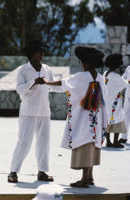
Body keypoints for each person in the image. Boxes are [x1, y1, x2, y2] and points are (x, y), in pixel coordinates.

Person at [41, 46, 107, 188]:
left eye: (81, 62)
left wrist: (46, 82)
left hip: (83, 121)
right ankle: (89, 177)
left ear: (86, 64)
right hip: (96, 121)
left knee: (84, 145)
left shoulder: (81, 77)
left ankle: (84, 180)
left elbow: (63, 83)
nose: (81, 65)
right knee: (92, 146)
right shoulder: (101, 78)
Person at [8, 40, 54, 183]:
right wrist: (34, 82)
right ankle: (13, 171)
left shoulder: (47, 69)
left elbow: (52, 86)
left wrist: (69, 86)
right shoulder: (23, 70)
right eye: (39, 51)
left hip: (44, 111)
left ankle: (42, 172)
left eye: (42, 51)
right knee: (24, 142)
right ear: (31, 54)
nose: (42, 54)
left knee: (44, 143)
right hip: (29, 111)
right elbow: (19, 89)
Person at [103, 54, 127, 148]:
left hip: (107, 101)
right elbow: (125, 84)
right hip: (115, 103)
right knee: (118, 120)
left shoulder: (106, 74)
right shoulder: (115, 76)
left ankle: (108, 141)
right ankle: (116, 141)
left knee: (108, 122)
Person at [119, 65, 130, 143]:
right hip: (128, 95)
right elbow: (123, 78)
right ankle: (124, 137)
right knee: (125, 115)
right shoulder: (129, 68)